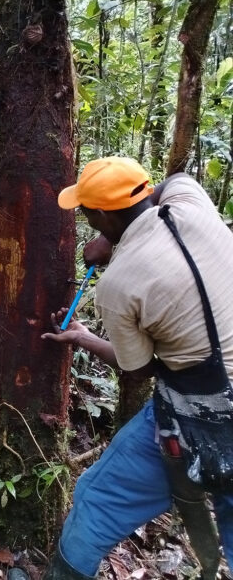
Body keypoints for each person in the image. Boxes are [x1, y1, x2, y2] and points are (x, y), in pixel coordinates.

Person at [41, 157, 233, 579]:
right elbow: (175, 181)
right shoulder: (190, 204)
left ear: (103, 216)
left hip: (197, 416)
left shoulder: (118, 283)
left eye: (89, 215)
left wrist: (83, 337)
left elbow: (139, 369)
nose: (88, 223)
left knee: (98, 500)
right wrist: (117, 240)